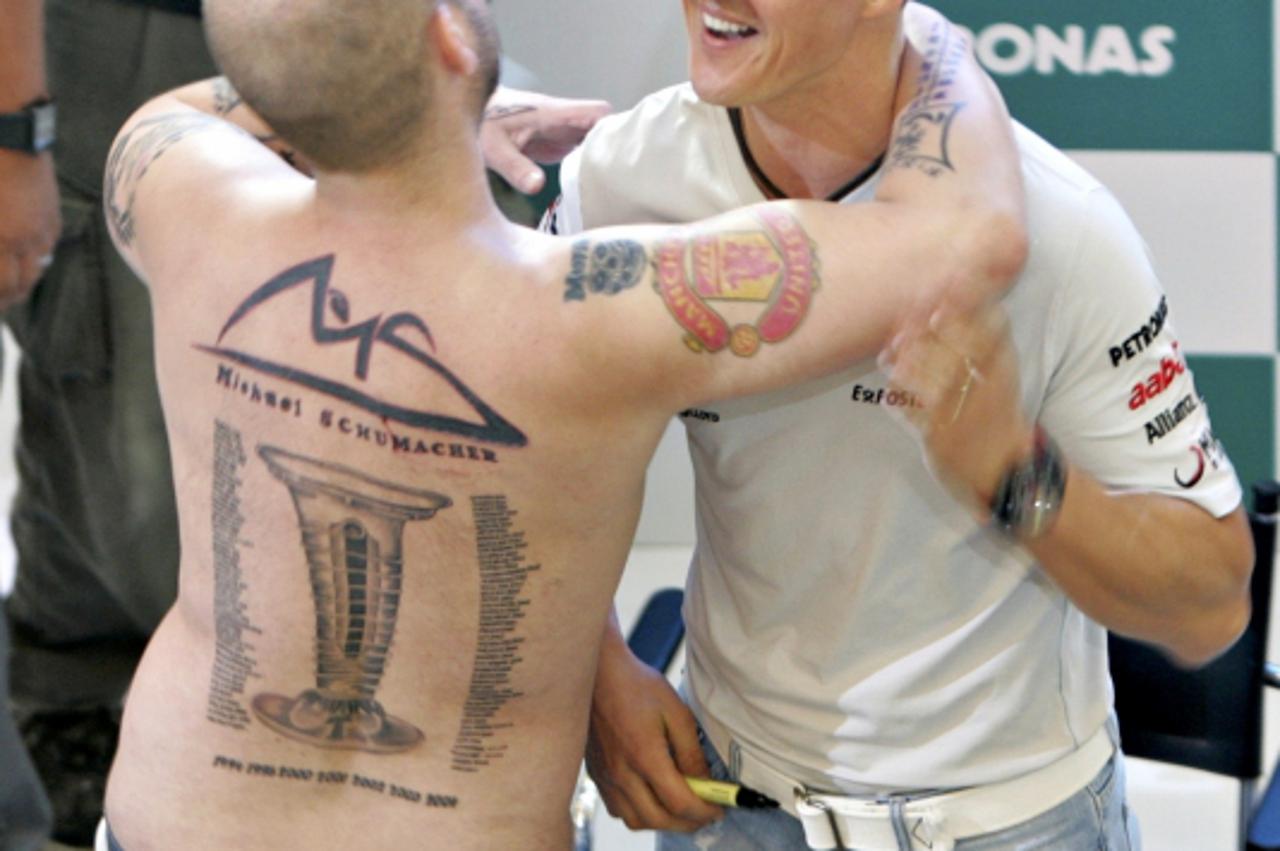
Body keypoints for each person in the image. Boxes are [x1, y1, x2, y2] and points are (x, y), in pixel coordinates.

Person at [94, 0, 1025, 846]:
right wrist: (926, 36)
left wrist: (387, 93)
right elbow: (971, 240)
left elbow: (215, 99)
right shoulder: (600, 315)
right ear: (449, 41)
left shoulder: (183, 202)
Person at [551, 2, 1255, 849]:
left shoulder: (1062, 226)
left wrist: (1012, 473)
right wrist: (597, 671)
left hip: (1006, 822)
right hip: (730, 801)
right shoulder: (620, 182)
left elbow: (1212, 601)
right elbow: (544, 462)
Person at [0, 0, 607, 846]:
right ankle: (79, 745)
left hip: (366, 52)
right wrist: (14, 131)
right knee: (157, 505)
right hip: (170, 38)